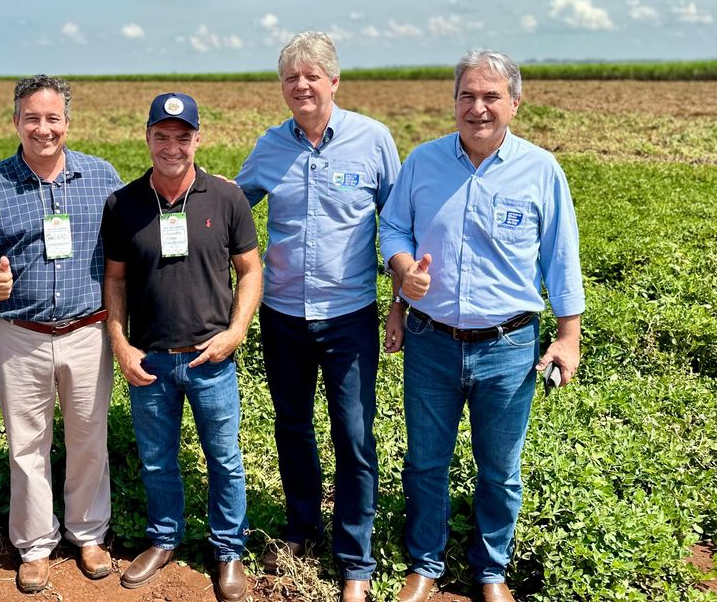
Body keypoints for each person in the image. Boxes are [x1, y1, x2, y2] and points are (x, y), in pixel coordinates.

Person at [379, 50, 585, 602]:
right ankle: (425, 563)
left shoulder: (540, 169)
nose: (478, 108)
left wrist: (568, 335)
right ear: (454, 103)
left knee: (500, 469)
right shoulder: (423, 162)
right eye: (467, 96)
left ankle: (491, 571)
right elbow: (393, 227)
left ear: (515, 103)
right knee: (425, 461)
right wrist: (402, 269)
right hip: (431, 341)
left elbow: (561, 256)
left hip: (508, 345)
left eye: (491, 96)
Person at [233, 31, 401, 602]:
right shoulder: (270, 146)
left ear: (334, 81)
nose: (301, 86)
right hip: (282, 314)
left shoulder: (372, 140)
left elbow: (398, 224)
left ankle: (355, 558)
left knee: (353, 435)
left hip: (349, 315)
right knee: (292, 426)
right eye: (291, 78)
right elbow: (233, 207)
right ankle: (302, 529)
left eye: (311, 76)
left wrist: (399, 301)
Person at [0, 74, 121, 594]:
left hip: (87, 330)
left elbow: (128, 240)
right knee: (26, 444)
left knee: (89, 437)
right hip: (20, 333)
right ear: (16, 122)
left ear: (67, 122)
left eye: (53, 118)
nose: (43, 128)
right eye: (32, 118)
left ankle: (88, 534)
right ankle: (34, 545)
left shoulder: (102, 176)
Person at [102, 92, 262, 602]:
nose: (172, 146)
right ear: (147, 137)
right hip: (149, 359)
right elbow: (115, 280)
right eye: (162, 136)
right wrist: (121, 344)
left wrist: (236, 331)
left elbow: (250, 270)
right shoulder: (123, 204)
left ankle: (228, 550)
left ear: (198, 138)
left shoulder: (227, 197)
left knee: (224, 459)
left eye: (182, 136)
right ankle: (164, 539)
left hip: (211, 358)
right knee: (156, 460)